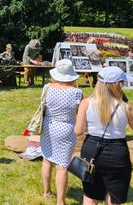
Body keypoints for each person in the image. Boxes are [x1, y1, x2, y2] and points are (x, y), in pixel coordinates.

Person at [74, 67, 133, 205]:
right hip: (117, 152)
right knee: (113, 194)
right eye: (122, 83)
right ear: (117, 85)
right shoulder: (126, 107)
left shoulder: (86, 103)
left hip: (92, 149)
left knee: (90, 193)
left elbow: (78, 131)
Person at [40, 59, 83, 204]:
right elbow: (80, 112)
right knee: (62, 166)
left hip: (48, 125)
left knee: (46, 159)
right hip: (66, 128)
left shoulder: (47, 88)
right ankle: (60, 201)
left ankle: (46, 192)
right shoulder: (77, 92)